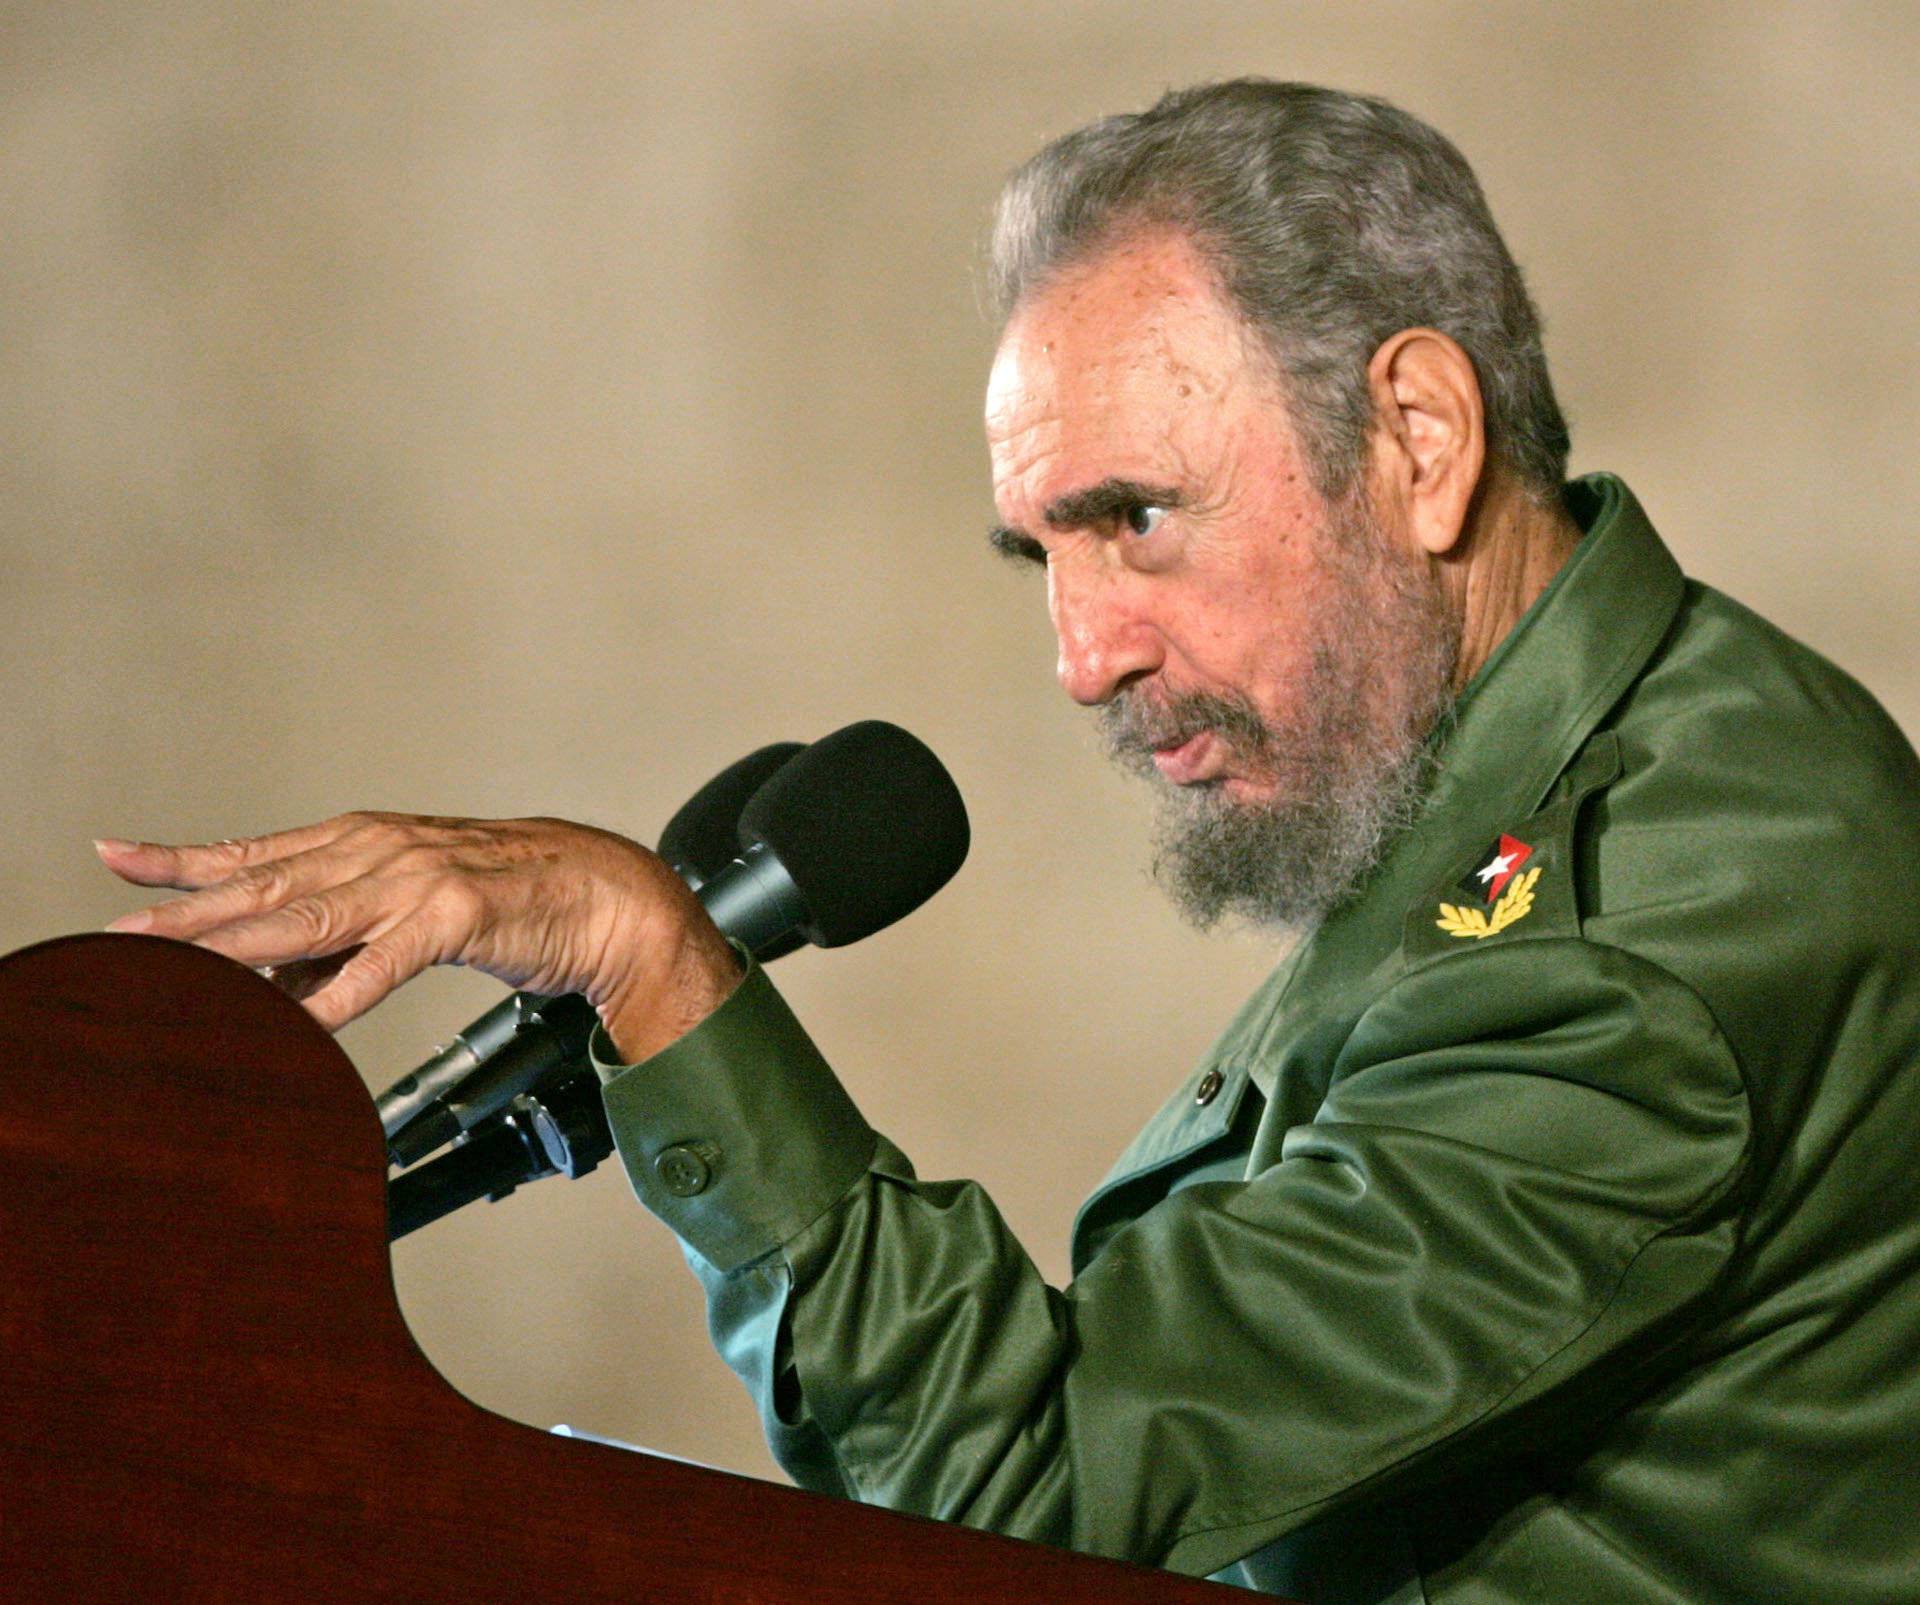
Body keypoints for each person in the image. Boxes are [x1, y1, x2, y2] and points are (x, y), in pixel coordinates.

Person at [99, 81, 1920, 1603]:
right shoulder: (1564, 773)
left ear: (1419, 439)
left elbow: (1038, 1498)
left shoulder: (1649, 919)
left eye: (1135, 517)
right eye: (1043, 551)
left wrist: (655, 961)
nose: (1080, 656)